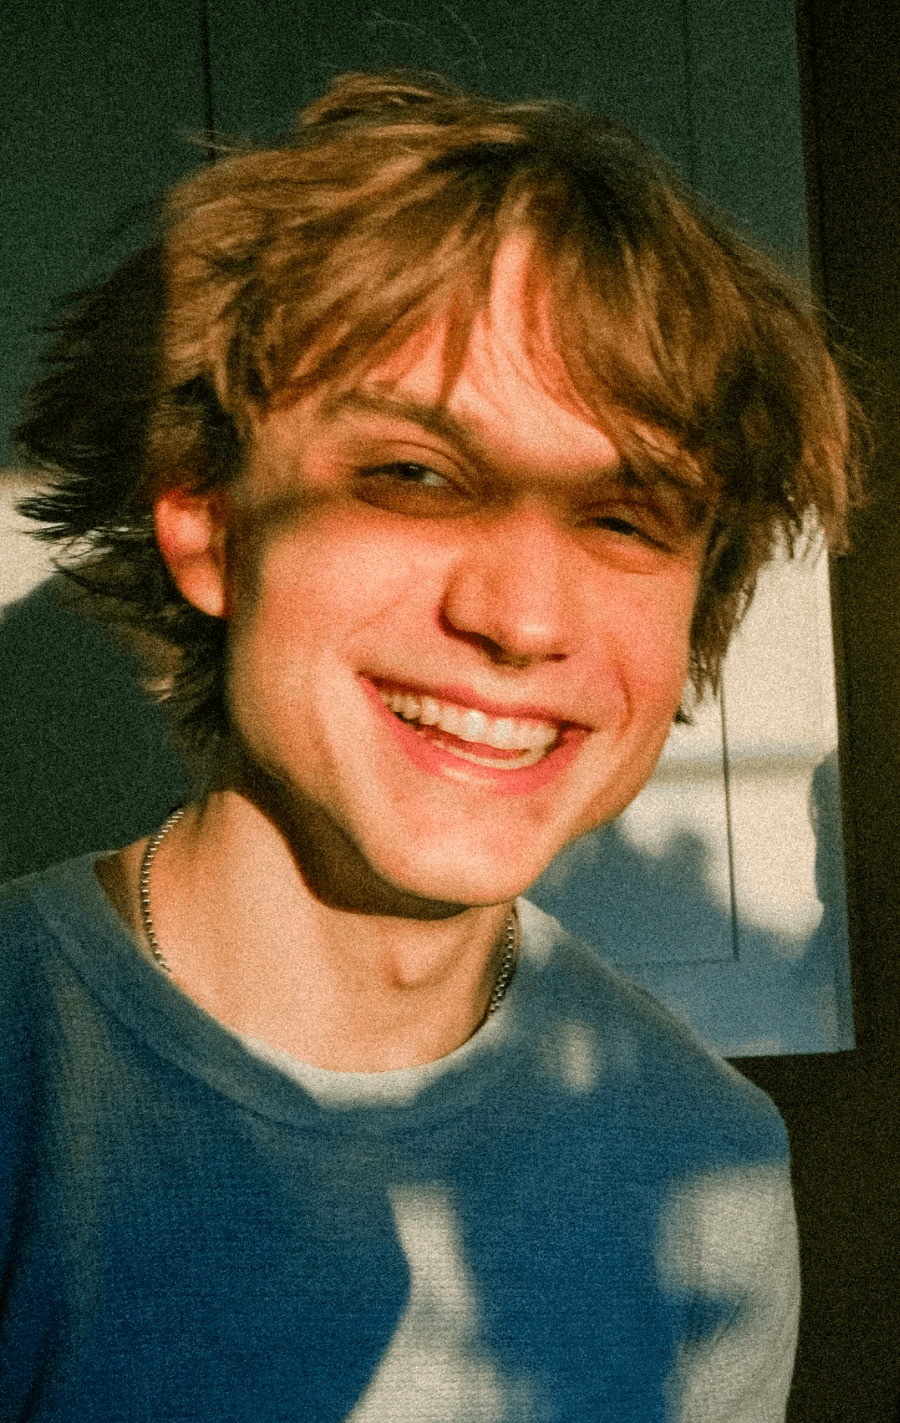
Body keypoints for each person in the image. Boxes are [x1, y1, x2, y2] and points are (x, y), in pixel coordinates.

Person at [0, 70, 861, 1420]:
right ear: (207, 522)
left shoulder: (711, 1175)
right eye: (414, 476)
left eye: (626, 516)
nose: (523, 618)